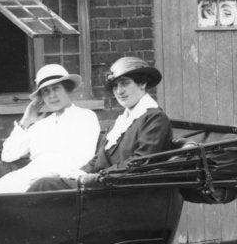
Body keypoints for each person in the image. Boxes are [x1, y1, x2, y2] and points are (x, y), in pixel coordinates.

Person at [27, 57, 173, 191]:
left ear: (142, 83)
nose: (119, 91)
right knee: (46, 182)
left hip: (126, 191)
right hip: (106, 185)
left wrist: (98, 176)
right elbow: (98, 159)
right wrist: (77, 173)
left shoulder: (154, 118)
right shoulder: (123, 121)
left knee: (44, 185)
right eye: (115, 86)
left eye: (125, 83)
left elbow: (140, 163)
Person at [0, 64, 100, 195]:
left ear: (67, 89)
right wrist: (26, 120)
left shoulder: (85, 117)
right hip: (28, 176)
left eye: (56, 88)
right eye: (46, 91)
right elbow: (8, 155)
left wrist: (47, 178)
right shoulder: (41, 124)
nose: (51, 96)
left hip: (57, 182)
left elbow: (83, 158)